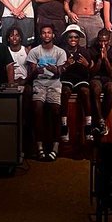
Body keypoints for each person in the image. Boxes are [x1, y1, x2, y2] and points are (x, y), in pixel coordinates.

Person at [26, 23, 67, 160]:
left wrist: (56, 70)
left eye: (49, 32)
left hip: (54, 85)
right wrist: (36, 71)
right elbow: (31, 75)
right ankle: (39, 146)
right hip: (39, 84)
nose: (46, 35)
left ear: (53, 35)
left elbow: (61, 73)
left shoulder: (60, 52)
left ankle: (55, 146)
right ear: (40, 35)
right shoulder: (34, 52)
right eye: (43, 33)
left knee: (55, 110)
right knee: (37, 109)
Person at [59, 22, 93, 142]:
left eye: (76, 37)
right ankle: (64, 126)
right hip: (66, 79)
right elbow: (58, 71)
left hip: (81, 79)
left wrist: (87, 65)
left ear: (79, 39)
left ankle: (88, 126)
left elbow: (90, 71)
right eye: (70, 37)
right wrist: (66, 64)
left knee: (85, 92)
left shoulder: (84, 51)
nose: (73, 39)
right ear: (66, 38)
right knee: (65, 91)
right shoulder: (61, 51)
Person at [89, 28, 112, 138]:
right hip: (96, 77)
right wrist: (99, 60)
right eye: (100, 41)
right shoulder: (92, 50)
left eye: (105, 41)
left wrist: (106, 59)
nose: (102, 43)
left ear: (109, 40)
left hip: (109, 78)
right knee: (95, 88)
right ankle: (101, 121)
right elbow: (92, 72)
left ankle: (100, 121)